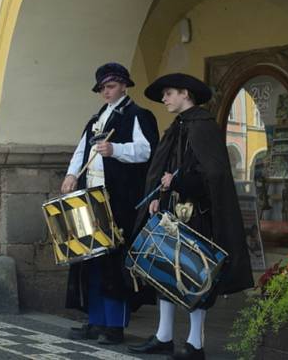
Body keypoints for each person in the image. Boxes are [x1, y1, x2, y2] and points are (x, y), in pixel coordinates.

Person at [129, 73, 254, 360]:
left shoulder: (204, 127)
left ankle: (195, 344)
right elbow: (165, 170)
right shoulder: (178, 127)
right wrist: (158, 198)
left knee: (195, 274)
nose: (164, 99)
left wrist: (178, 183)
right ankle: (163, 336)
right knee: (165, 271)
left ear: (185, 93)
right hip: (171, 211)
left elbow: (214, 176)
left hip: (197, 214)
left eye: (169, 93)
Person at [62, 63, 159, 345]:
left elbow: (147, 150)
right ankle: (95, 320)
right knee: (90, 259)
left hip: (118, 202)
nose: (107, 91)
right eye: (103, 88)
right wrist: (70, 175)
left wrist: (116, 149)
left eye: (112, 86)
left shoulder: (138, 115)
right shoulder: (95, 119)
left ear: (124, 85)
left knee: (114, 264)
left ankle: (115, 325)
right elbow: (82, 150)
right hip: (91, 199)